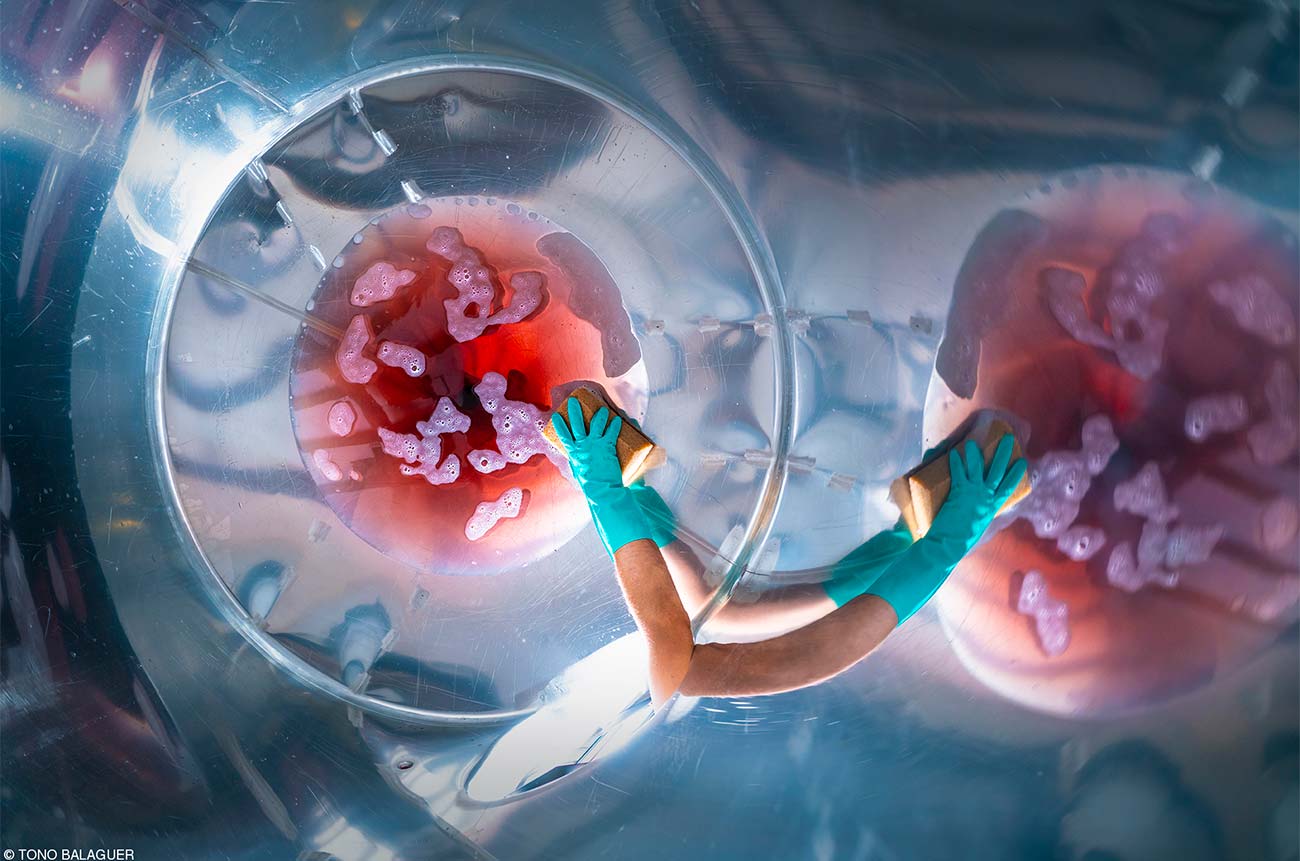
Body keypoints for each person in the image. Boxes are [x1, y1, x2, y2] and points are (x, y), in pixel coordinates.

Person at [550, 398, 1028, 708]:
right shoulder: (686, 681)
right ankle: (910, 532)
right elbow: (844, 639)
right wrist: (952, 537)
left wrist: (609, 487)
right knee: (830, 596)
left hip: (725, 630)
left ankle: (637, 490)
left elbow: (661, 612)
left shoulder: (677, 676)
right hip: (790, 637)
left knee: (702, 600)